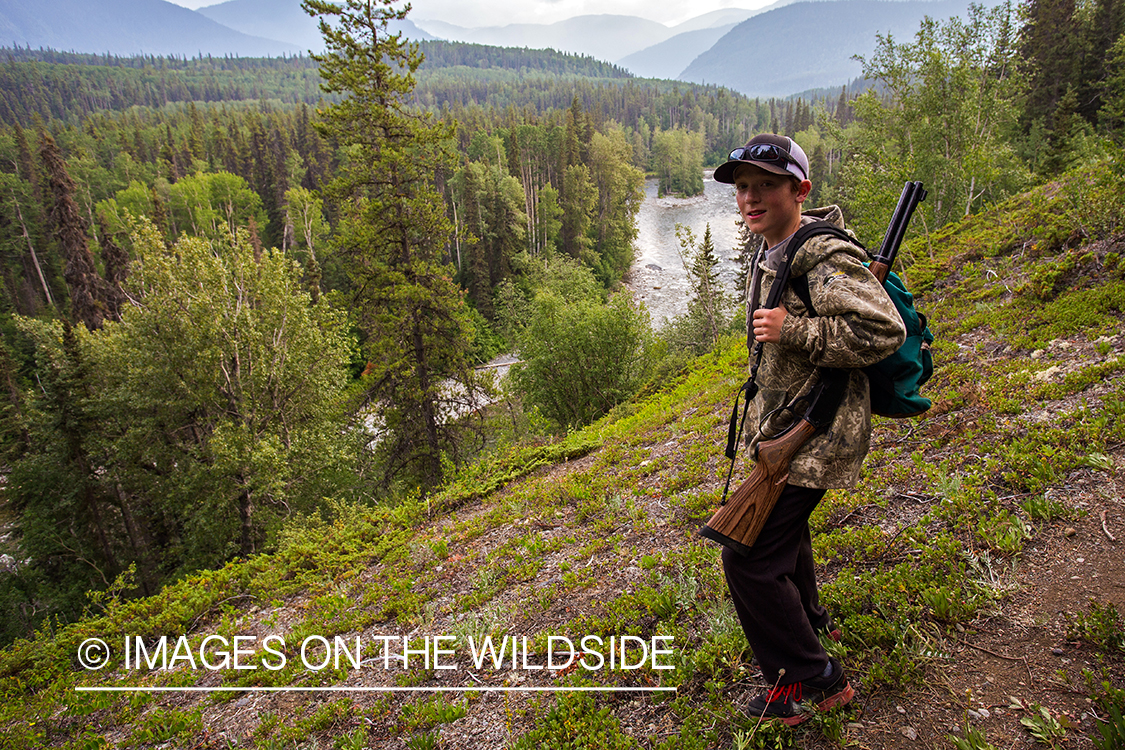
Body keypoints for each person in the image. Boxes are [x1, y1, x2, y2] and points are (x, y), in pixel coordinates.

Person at [712, 134, 906, 725]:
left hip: (818, 434)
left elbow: (882, 331)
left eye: (766, 185)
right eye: (743, 187)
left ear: (801, 189)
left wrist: (793, 330)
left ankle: (811, 678)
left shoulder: (819, 256)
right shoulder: (774, 249)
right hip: (789, 428)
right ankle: (810, 623)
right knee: (782, 537)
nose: (750, 197)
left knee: (748, 558)